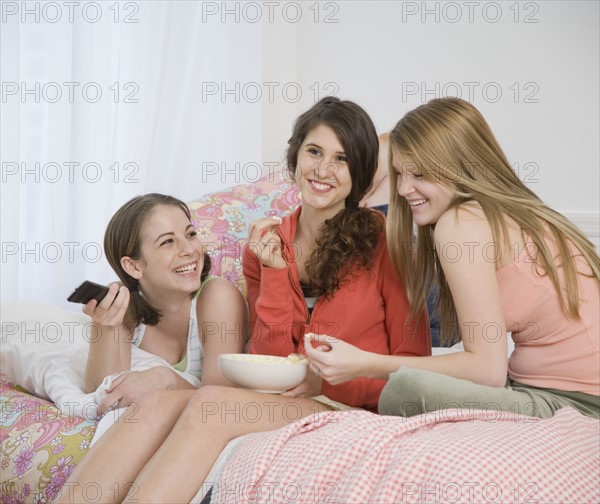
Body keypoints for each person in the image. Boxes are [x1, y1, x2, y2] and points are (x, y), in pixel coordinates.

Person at [57, 97, 430, 504]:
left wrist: (325, 381)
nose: (323, 171)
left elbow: (413, 370)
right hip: (275, 403)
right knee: (158, 403)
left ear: (358, 170)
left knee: (212, 402)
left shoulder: (388, 243)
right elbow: (268, 357)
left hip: (350, 408)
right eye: (314, 152)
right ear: (296, 156)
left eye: (341, 159)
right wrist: (272, 273)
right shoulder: (267, 241)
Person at [304, 97, 599, 420]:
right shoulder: (506, 211)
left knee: (404, 390)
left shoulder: (460, 223)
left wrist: (364, 363)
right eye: (400, 173)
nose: (403, 189)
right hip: (556, 389)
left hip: (577, 403)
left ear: (459, 169)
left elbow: (487, 370)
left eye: (419, 174)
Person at [80, 193, 247, 413]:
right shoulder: (124, 304)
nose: (189, 249)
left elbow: (219, 403)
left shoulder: (218, 297)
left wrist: (167, 380)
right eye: (168, 241)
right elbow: (103, 396)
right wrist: (104, 326)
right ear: (133, 266)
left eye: (191, 234)